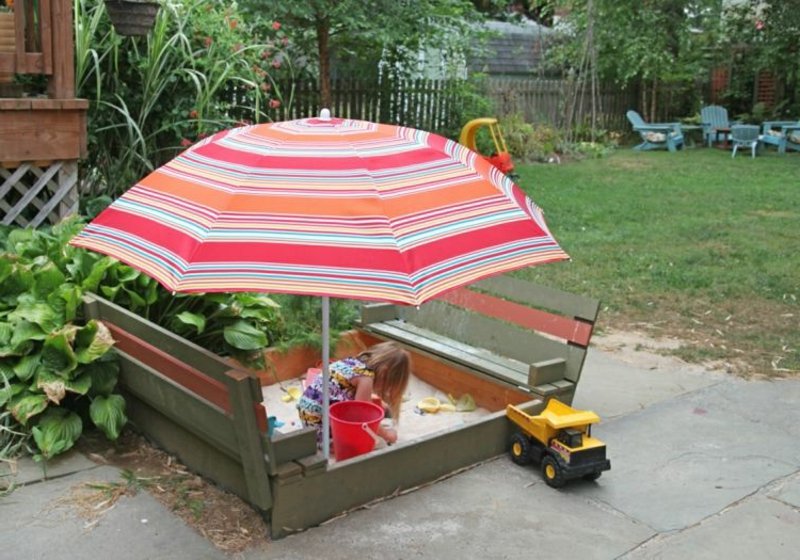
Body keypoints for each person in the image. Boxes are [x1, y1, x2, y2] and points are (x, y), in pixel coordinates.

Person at [296, 341, 411, 447]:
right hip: (322, 428)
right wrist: (387, 434)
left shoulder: (352, 363)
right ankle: (333, 444)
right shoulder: (366, 379)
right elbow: (364, 418)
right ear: (384, 373)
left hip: (307, 415)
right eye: (387, 386)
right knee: (375, 442)